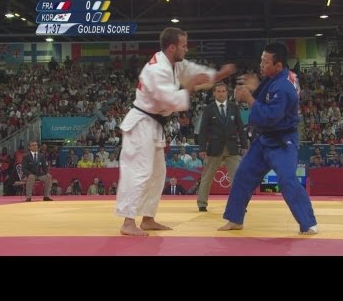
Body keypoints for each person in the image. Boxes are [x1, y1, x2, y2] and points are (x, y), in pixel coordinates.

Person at [115, 27, 236, 236]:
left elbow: (192, 71)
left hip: (153, 125)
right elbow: (169, 100)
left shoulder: (173, 63)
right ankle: (127, 222)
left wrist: (216, 75)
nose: (186, 49)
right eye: (183, 46)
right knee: (139, 172)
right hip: (141, 125)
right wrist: (189, 87)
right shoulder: (156, 70)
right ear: (172, 47)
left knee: (157, 174)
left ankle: (148, 218)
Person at [217, 42, 318, 235]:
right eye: (261, 60)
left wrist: (249, 98)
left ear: (278, 65)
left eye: (265, 62)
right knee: (243, 175)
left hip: (282, 141)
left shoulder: (283, 87)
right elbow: (267, 96)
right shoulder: (282, 76)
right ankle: (235, 219)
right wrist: (255, 89)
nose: (261, 65)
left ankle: (308, 222)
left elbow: (270, 117)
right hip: (264, 139)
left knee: (287, 180)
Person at [197, 82, 248, 211]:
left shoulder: (234, 108)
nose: (221, 93)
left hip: (232, 147)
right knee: (207, 177)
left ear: (227, 93)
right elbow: (203, 130)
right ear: (214, 93)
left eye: (223, 91)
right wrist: (202, 148)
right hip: (214, 148)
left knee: (237, 178)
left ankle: (239, 204)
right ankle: (202, 203)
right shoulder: (209, 109)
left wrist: (244, 145)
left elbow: (241, 128)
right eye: (218, 91)